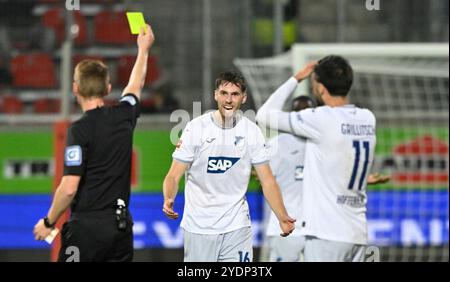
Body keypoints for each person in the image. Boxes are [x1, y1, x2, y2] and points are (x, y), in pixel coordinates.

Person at [33, 25, 155, 262]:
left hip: (86, 230)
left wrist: (48, 222)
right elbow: (135, 86)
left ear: (75, 88)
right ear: (108, 89)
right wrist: (143, 50)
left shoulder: (79, 131)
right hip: (120, 229)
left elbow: (69, 188)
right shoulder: (123, 116)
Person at [162, 71, 296, 262]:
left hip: (237, 226)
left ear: (244, 97)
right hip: (200, 226)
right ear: (216, 94)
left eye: (234, 94)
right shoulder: (195, 128)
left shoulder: (252, 132)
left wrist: (282, 216)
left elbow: (267, 180)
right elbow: (173, 176)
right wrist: (169, 197)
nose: (229, 100)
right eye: (224, 93)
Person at [256, 56, 377, 262]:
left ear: (320, 88)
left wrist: (296, 78)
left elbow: (264, 115)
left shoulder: (320, 119)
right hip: (357, 233)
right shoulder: (367, 118)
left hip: (327, 235)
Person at [264, 96, 314, 262]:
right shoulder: (277, 144)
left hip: (317, 228)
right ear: (291, 116)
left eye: (307, 112)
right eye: (298, 112)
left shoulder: (322, 145)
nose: (302, 117)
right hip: (286, 227)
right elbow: (262, 176)